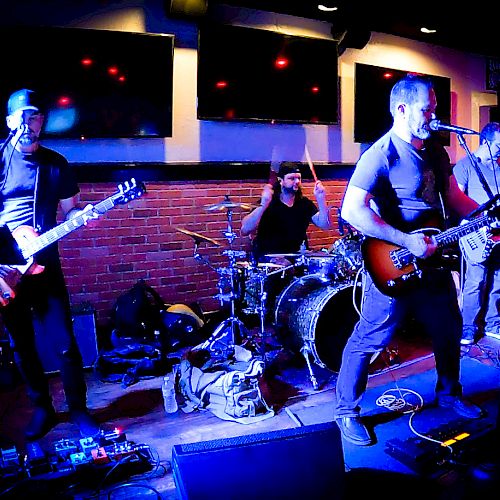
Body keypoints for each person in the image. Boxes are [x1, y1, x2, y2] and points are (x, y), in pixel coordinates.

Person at [335, 74, 484, 446]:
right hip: (393, 263)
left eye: (434, 108)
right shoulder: (379, 154)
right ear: (401, 109)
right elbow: (352, 210)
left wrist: (484, 213)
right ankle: (346, 411)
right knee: (371, 337)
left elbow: (453, 198)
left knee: (448, 329)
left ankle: (449, 394)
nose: (433, 115)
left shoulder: (436, 151)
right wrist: (405, 240)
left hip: (433, 261)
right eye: (426, 109)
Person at [0, 89, 100, 441]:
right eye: (22, 116)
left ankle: (78, 409)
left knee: (65, 342)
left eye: (36, 117)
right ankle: (42, 408)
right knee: (21, 345)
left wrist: (81, 215)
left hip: (46, 263)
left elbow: (70, 209)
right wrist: (13, 233)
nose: (29, 124)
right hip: (6, 269)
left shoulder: (56, 164)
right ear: (10, 120)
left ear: (43, 123)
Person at [240, 161, 332, 311]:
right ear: (280, 180)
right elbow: (245, 229)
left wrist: (321, 198)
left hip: (295, 256)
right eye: (292, 178)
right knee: (285, 268)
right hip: (269, 257)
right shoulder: (271, 202)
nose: (297, 182)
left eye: (299, 178)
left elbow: (325, 224)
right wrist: (263, 204)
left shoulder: (304, 203)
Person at [453, 122, 500, 345]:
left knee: (498, 279)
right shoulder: (466, 166)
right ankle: (468, 327)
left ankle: (493, 323)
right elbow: (455, 201)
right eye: (498, 145)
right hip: (476, 234)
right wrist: (474, 225)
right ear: (485, 142)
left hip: (498, 234)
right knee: (475, 280)